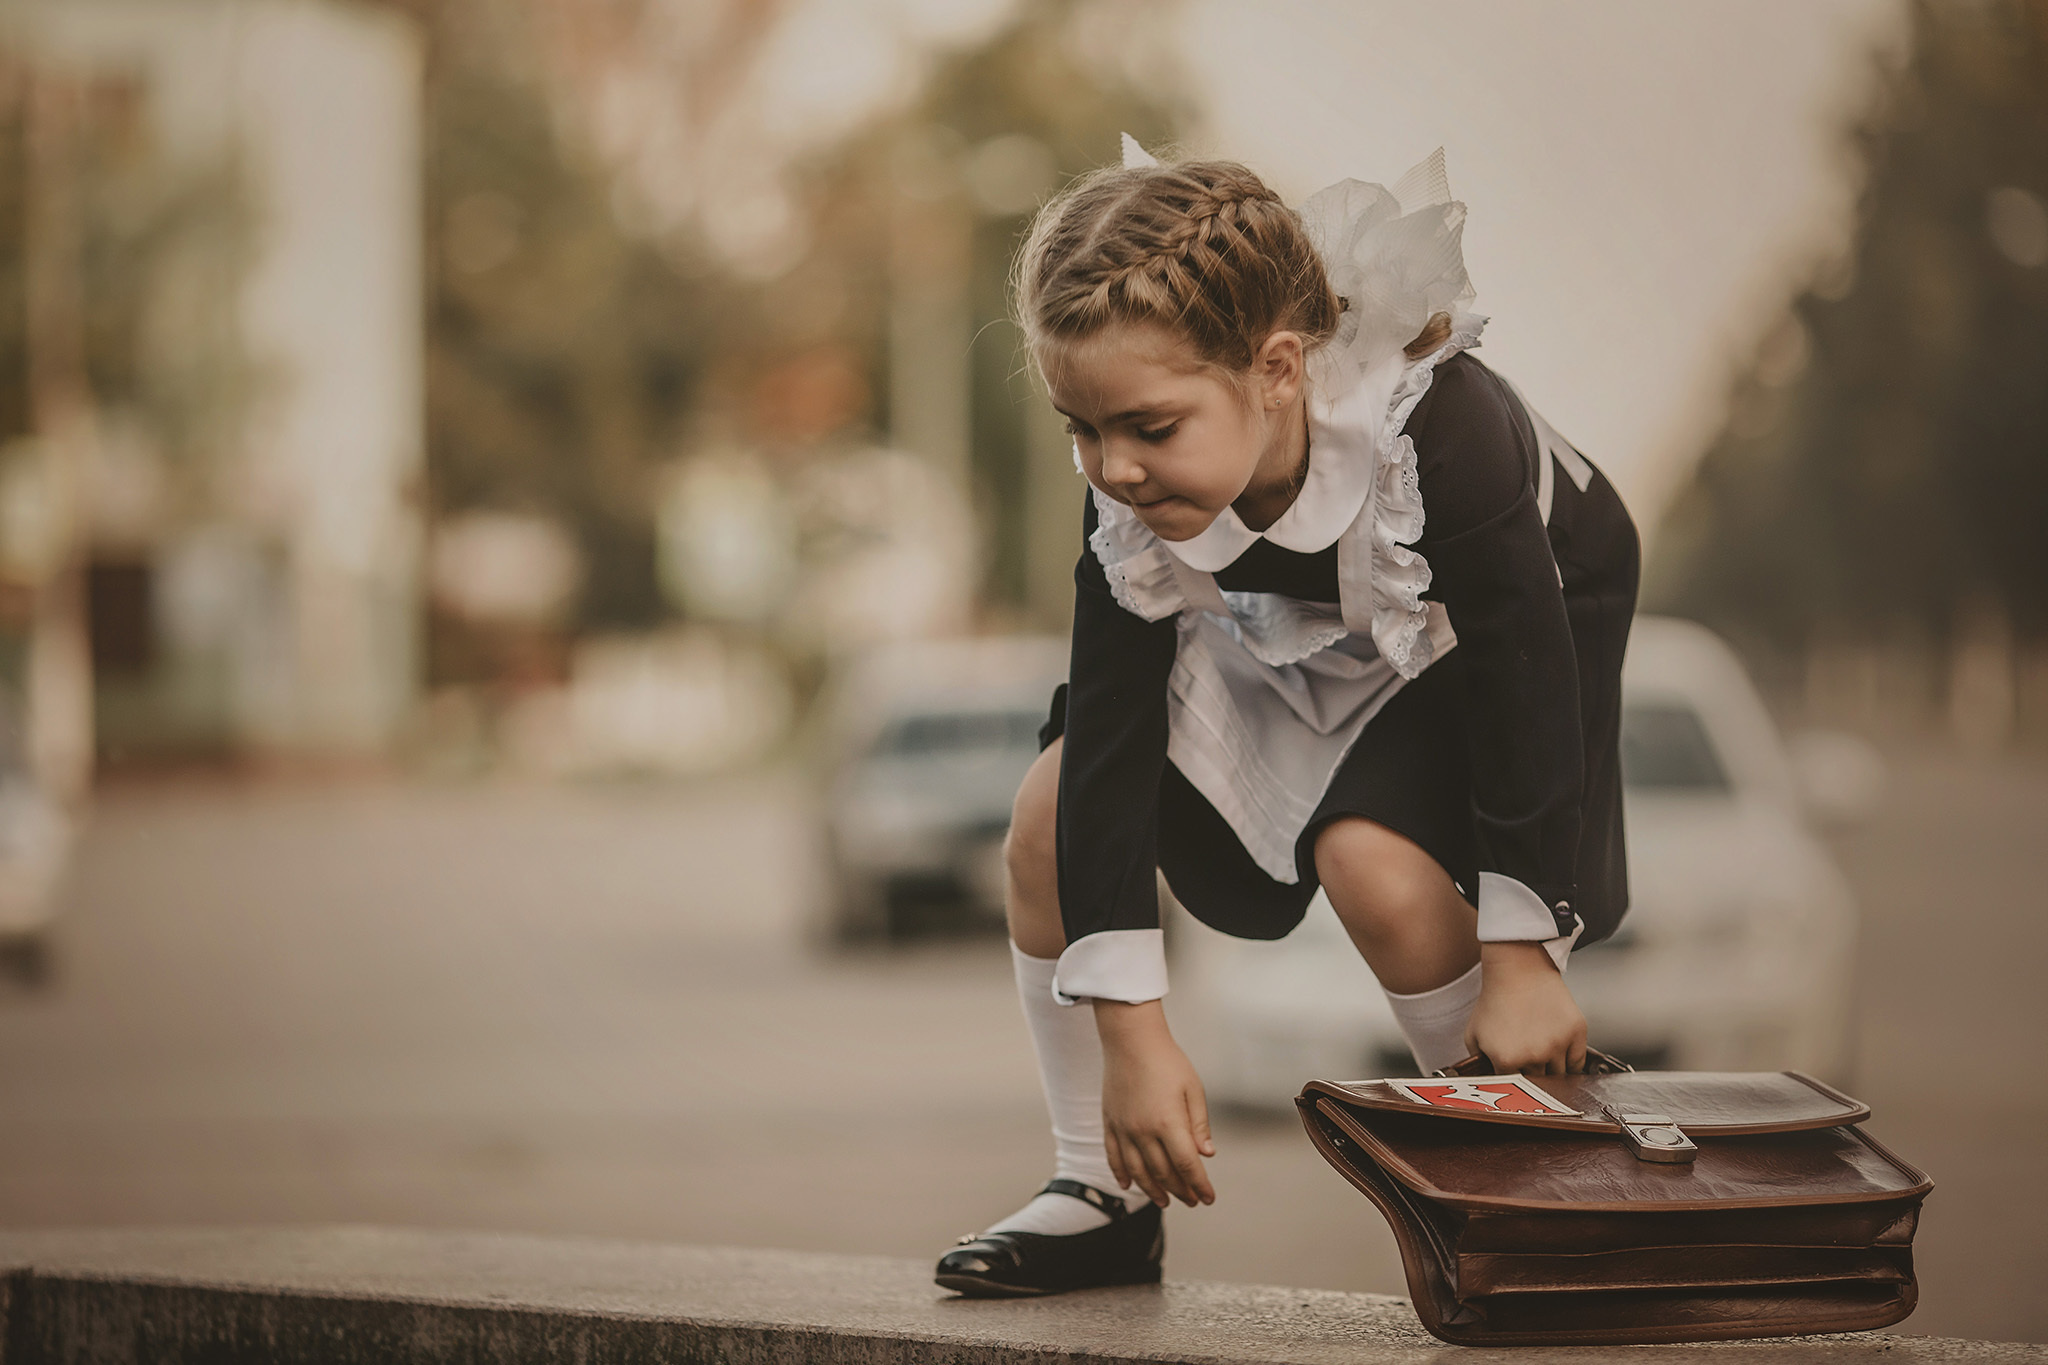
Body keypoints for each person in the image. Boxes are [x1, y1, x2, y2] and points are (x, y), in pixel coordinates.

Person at [934, 140, 1640, 1298]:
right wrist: (1132, 1035)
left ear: (1273, 369)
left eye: (1146, 428)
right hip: (1288, 615)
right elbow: (1108, 731)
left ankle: (1530, 1190)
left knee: (1373, 864)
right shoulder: (1134, 486)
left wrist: (1520, 956)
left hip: (1498, 625)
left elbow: (1523, 679)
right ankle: (1097, 1195)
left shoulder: (1433, 427)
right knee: (1044, 818)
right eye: (1080, 428)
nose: (1111, 468)